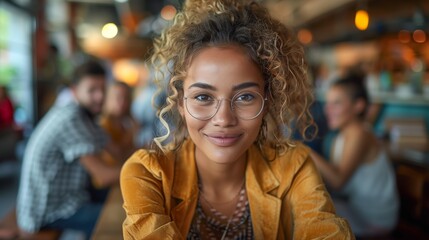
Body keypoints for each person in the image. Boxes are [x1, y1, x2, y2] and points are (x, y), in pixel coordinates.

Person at [120, 1, 354, 239]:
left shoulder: (293, 166)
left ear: (267, 101)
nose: (223, 119)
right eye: (203, 96)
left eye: (245, 97)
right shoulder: (148, 174)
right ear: (180, 103)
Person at [16, 60, 121, 239]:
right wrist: (142, 169)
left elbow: (116, 151)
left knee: (123, 201)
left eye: (103, 89)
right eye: (92, 90)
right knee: (116, 220)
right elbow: (102, 176)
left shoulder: (85, 115)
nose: (100, 96)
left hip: (70, 195)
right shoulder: (70, 118)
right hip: (45, 210)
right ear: (74, 90)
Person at [309, 73, 399, 237]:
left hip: (374, 219)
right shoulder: (341, 135)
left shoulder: (360, 133)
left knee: (311, 218)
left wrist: (305, 151)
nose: (327, 109)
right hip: (356, 207)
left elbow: (338, 182)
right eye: (328, 103)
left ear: (358, 105)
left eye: (336, 103)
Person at [99, 81, 139, 164]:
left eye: (126, 98)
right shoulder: (103, 124)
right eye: (117, 98)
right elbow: (119, 155)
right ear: (106, 99)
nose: (122, 102)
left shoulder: (125, 123)